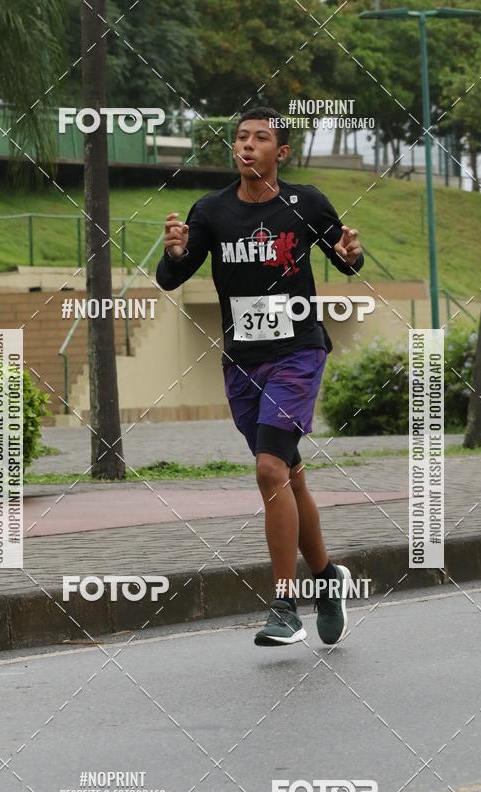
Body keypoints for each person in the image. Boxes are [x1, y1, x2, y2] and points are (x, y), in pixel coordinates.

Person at [156, 106, 364, 648]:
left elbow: (344, 258)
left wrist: (351, 254)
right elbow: (172, 277)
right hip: (243, 361)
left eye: (261, 138)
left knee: (269, 468)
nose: (247, 145)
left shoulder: (306, 203)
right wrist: (174, 253)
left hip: (298, 352)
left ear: (282, 153)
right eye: (241, 138)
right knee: (289, 473)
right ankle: (327, 580)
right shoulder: (213, 211)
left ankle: (285, 605)